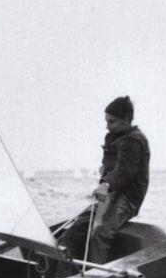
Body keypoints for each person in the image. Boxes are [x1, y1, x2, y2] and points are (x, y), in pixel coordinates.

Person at [58, 95, 150, 266]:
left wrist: (106, 184)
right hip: (109, 195)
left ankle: (95, 276)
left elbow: (125, 173)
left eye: (112, 121)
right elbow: (112, 166)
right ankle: (62, 276)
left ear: (126, 120)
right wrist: (105, 174)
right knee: (74, 231)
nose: (107, 126)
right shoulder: (113, 137)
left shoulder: (133, 140)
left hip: (127, 198)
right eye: (107, 121)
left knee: (99, 232)